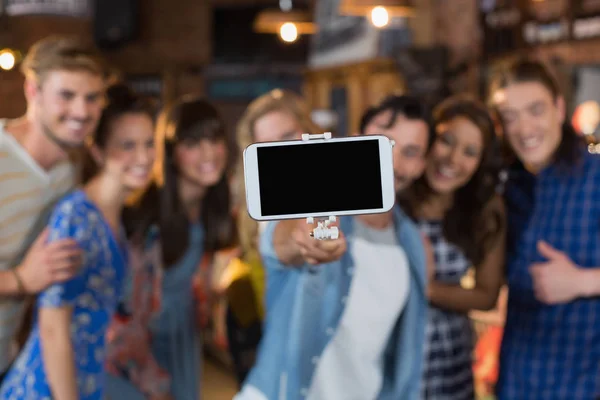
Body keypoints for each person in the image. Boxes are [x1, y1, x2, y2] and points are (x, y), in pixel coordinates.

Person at [236, 95, 435, 400]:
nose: (393, 162)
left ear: (421, 165)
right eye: (385, 144)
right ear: (358, 139)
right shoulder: (306, 205)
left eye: (410, 152)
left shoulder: (415, 245)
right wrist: (305, 241)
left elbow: (403, 350)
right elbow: (283, 238)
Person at [0, 83, 156, 400]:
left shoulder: (116, 215)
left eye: (149, 143)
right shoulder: (78, 215)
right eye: (127, 145)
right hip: (47, 388)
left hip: (86, 380)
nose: (143, 157)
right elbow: (53, 327)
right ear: (97, 151)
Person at [106, 95, 237, 400]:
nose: (208, 152)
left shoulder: (214, 207)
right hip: (134, 350)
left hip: (183, 339)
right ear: (170, 152)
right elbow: (127, 315)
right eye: (192, 143)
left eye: (214, 139)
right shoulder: (144, 217)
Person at [489, 57, 600, 399]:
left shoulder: (596, 176)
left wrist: (583, 281)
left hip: (581, 386)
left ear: (559, 107)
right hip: (515, 381)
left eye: (535, 110)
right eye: (511, 117)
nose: (524, 129)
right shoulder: (508, 187)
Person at [0, 35, 106, 382]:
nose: (81, 111)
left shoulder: (69, 172)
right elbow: (28, 276)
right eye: (67, 95)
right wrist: (19, 280)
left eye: (92, 98)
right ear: (33, 91)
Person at [398, 95, 505, 399]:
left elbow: (486, 296)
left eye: (470, 152)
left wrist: (426, 287)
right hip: (393, 354)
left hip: (449, 360)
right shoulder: (395, 195)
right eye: (446, 140)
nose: (453, 159)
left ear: (481, 162)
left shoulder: (484, 209)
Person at [227, 88, 324, 385]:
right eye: (266, 144)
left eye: (286, 136)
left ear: (306, 131)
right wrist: (307, 240)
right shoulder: (268, 208)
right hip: (290, 353)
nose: (279, 151)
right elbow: (281, 239)